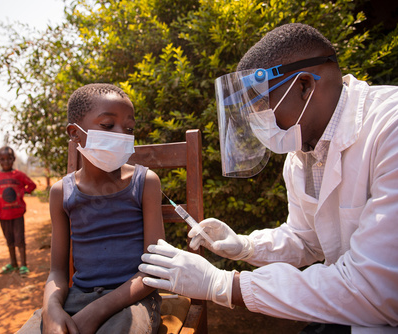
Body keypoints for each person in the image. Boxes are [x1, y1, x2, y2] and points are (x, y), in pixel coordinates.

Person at [139, 23, 398, 333]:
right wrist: (245, 247)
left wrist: (223, 284)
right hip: (355, 313)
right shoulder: (302, 155)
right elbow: (307, 239)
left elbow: (378, 289)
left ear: (304, 86)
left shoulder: (389, 128)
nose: (256, 122)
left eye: (261, 106)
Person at [40, 83, 165, 334]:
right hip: (76, 299)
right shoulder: (61, 192)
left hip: (133, 300)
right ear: (75, 133)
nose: (121, 134)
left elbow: (156, 268)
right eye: (108, 126)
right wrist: (51, 308)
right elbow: (57, 271)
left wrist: (97, 311)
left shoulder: (145, 183)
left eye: (129, 128)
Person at [0, 146, 36, 277]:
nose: (6, 162)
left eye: (9, 159)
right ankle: (13, 263)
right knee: (9, 240)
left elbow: (32, 185)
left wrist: (23, 192)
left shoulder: (19, 175)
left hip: (17, 214)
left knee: (20, 240)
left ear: (13, 159)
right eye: (3, 159)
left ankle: (23, 265)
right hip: (3, 215)